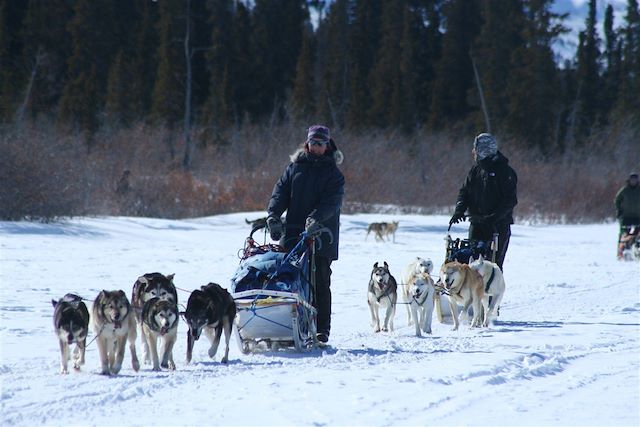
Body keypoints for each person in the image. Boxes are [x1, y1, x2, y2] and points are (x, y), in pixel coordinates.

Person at [266, 125, 345, 344]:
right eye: (314, 142)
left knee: (319, 280)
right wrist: (273, 215)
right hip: (292, 232)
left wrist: (316, 219)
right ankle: (282, 324)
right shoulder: (295, 167)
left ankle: (321, 329)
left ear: (327, 145)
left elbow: (332, 202)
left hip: (322, 235)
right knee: (286, 276)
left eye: (321, 143)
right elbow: (280, 192)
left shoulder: (334, 174)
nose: (317, 146)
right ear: (307, 143)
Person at [449, 133, 518, 271]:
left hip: (497, 226)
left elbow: (510, 200)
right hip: (477, 224)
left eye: (476, 148)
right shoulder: (476, 170)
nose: (473, 151)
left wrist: (494, 217)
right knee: (471, 264)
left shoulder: (505, 172)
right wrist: (459, 210)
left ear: (484, 149)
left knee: (492, 267)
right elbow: (464, 192)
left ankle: (490, 292)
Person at [614, 172, 640, 259]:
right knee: (624, 234)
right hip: (626, 216)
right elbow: (617, 200)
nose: (634, 181)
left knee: (637, 234)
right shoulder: (625, 190)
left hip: (638, 216)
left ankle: (637, 250)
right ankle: (620, 251)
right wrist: (619, 210)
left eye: (635, 180)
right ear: (629, 180)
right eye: (632, 180)